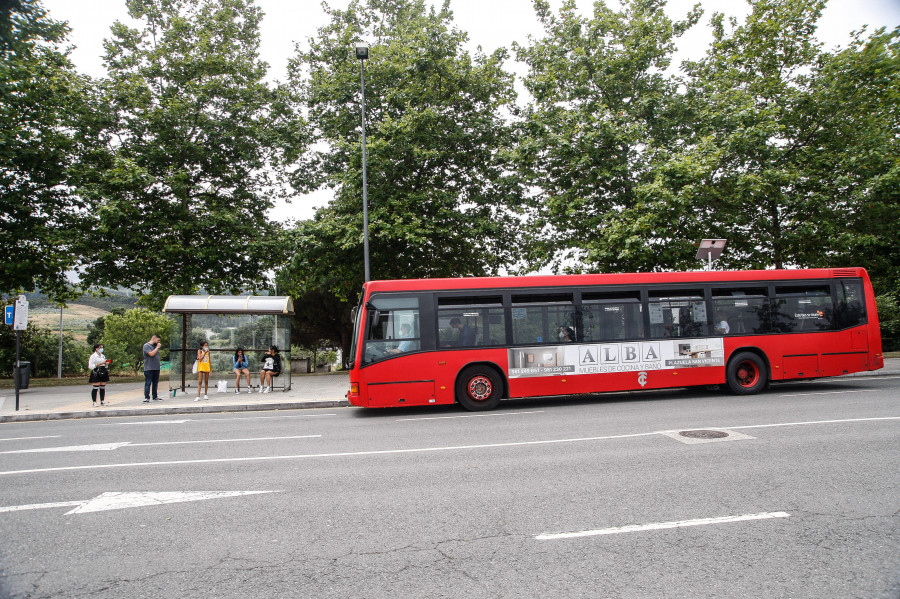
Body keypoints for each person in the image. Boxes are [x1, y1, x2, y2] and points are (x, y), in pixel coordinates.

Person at [142, 334, 163, 403]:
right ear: (154, 339)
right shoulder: (146, 346)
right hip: (149, 368)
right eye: (158, 340)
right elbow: (151, 354)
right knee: (148, 383)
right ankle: (147, 397)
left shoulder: (155, 346)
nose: (158, 342)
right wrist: (157, 348)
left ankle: (155, 396)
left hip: (156, 368)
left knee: (155, 383)